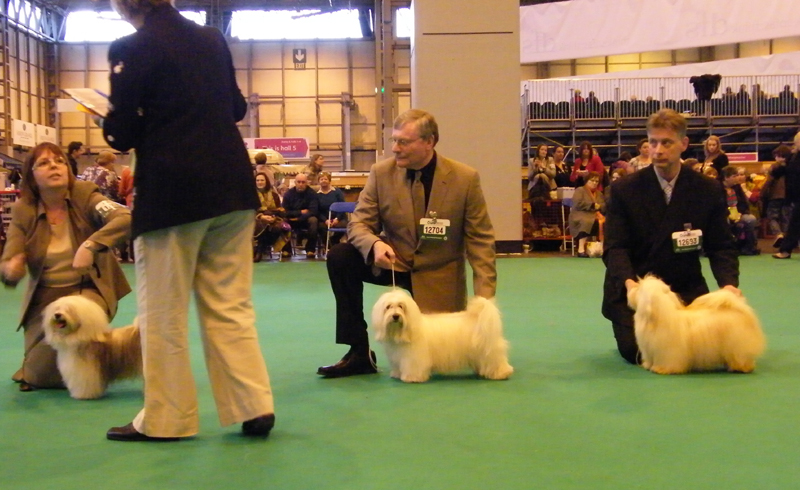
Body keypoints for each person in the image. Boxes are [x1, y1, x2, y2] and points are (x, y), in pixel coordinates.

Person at [101, 0, 275, 441]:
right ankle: (254, 406)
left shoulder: (129, 47)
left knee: (163, 314)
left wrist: (128, 119)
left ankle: (168, 419)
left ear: (124, 4)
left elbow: (120, 134)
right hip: (232, 187)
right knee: (231, 305)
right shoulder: (211, 40)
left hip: (172, 193)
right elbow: (235, 108)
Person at [319, 109, 496, 378]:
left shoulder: (465, 178)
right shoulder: (381, 173)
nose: (395, 149)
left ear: (429, 142)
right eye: (394, 140)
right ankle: (358, 351)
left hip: (439, 275)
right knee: (341, 256)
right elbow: (359, 223)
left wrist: (484, 300)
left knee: (443, 350)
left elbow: (480, 240)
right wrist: (375, 244)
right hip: (394, 264)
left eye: (403, 142)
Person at [602, 109, 740, 364]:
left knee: (709, 349)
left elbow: (721, 246)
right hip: (637, 292)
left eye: (666, 142)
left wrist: (729, 285)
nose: (658, 150)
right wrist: (631, 285)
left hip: (684, 289)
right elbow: (615, 247)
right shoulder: (624, 190)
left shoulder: (707, 189)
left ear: (683, 144)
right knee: (643, 352)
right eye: (652, 142)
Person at [0, 142, 131, 391]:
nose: (54, 166)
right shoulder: (23, 210)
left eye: (59, 161)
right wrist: (10, 268)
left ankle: (104, 356)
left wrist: (91, 245)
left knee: (76, 342)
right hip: (46, 297)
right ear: (31, 175)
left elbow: (124, 217)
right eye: (44, 163)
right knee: (41, 377)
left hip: (88, 288)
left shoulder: (86, 195)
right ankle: (104, 352)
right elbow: (10, 257)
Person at [772, 132, 800, 259]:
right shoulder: (793, 157)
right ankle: (786, 249)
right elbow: (781, 172)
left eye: (797, 142)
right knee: (795, 222)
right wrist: (777, 167)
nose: (795, 145)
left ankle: (786, 250)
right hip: (795, 195)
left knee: (795, 223)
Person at [721, 166, 760, 256]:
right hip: (723, 214)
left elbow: (743, 203)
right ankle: (727, 247)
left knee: (751, 219)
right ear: (726, 177)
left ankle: (749, 247)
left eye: (738, 175)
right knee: (725, 221)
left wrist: (740, 214)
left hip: (737, 213)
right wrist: (727, 214)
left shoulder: (737, 187)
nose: (737, 178)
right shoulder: (717, 187)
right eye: (734, 176)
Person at [282, 173, 320, 258]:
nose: (301, 184)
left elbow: (313, 211)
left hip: (306, 220)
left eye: (303, 182)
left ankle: (310, 250)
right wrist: (299, 212)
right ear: (295, 182)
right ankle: (286, 250)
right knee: (283, 221)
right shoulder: (288, 194)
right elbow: (285, 212)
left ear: (307, 183)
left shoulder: (312, 194)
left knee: (314, 220)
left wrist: (299, 218)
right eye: (299, 182)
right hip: (291, 220)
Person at [254, 171, 289, 262]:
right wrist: (261, 216)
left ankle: (260, 249)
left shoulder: (274, 195)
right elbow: (249, 210)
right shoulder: (251, 196)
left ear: (266, 182)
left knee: (280, 227)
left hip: (273, 218)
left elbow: (280, 210)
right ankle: (260, 250)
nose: (260, 182)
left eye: (262, 180)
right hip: (255, 219)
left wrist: (273, 216)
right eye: (257, 180)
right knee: (263, 224)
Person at [762, 145, 792, 248]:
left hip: (775, 196)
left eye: (776, 156)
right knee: (786, 218)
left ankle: (778, 234)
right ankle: (787, 239)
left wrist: (762, 194)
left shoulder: (774, 167)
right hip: (788, 196)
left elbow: (768, 182)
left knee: (772, 217)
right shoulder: (791, 166)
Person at [569, 172, 605, 257]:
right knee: (586, 221)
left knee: (606, 222)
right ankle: (581, 249)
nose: (594, 183)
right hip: (579, 214)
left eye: (596, 181)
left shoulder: (599, 193)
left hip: (595, 215)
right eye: (592, 180)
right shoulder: (580, 190)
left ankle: (601, 249)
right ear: (586, 181)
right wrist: (592, 205)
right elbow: (577, 203)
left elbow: (604, 204)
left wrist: (600, 206)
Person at [316, 171, 347, 249]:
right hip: (324, 219)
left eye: (325, 179)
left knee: (345, 225)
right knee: (320, 227)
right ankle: (327, 246)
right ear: (319, 181)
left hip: (338, 217)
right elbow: (317, 210)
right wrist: (325, 220)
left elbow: (342, 206)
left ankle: (334, 241)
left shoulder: (337, 192)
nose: (323, 181)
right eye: (321, 179)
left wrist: (337, 219)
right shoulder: (316, 194)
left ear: (329, 181)